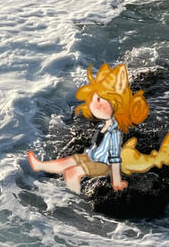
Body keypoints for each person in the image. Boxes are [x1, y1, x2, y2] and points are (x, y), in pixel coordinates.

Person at [28, 62, 150, 192]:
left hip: (102, 164)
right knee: (67, 162)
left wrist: (116, 180)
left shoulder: (114, 131)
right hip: (91, 156)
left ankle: (69, 198)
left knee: (72, 171)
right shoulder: (105, 124)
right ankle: (41, 167)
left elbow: (115, 156)